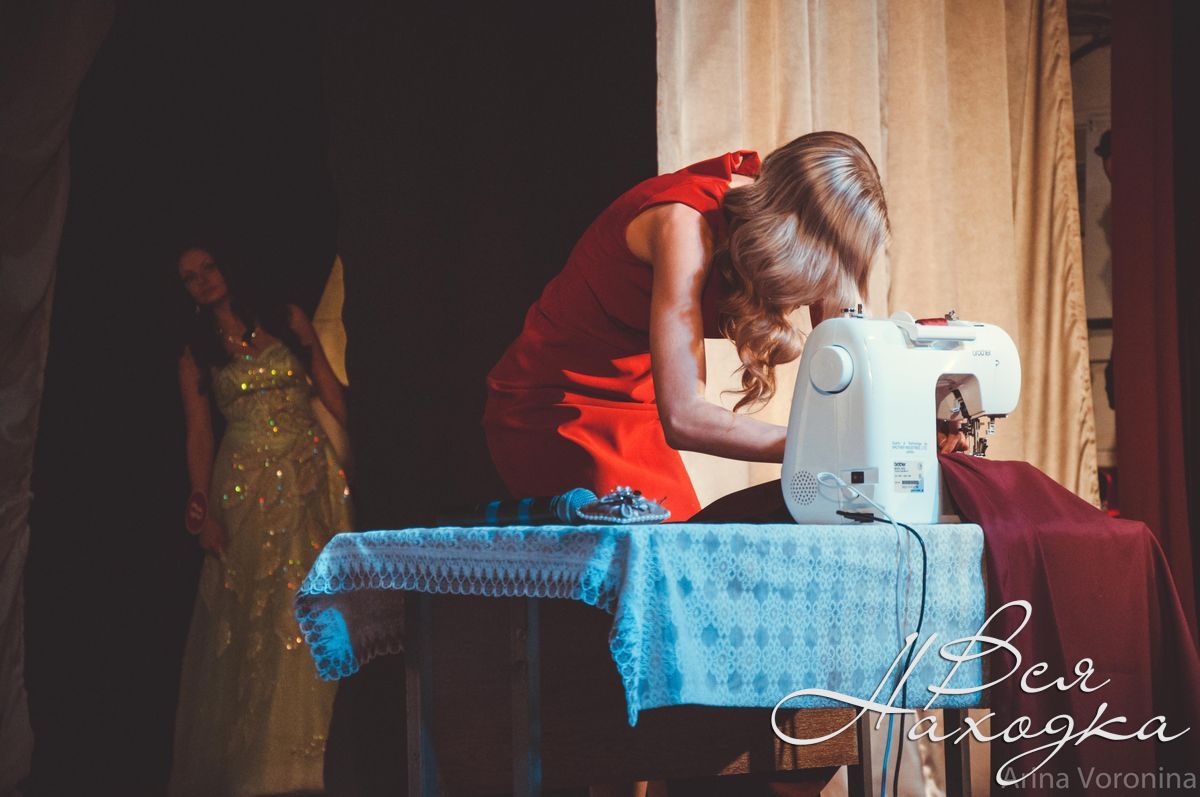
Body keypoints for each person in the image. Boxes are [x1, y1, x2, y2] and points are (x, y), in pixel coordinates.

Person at [484, 132, 892, 520]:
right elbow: (683, 419)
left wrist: (890, 428)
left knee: (685, 551)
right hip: (559, 403)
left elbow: (850, 349)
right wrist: (818, 447)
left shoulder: (788, 222)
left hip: (638, 408)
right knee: (654, 555)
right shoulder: (683, 224)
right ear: (795, 237)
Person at [169, 243, 353, 796]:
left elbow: (327, 386)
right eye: (190, 278)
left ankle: (325, 754)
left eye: (208, 268)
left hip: (310, 479)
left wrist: (368, 446)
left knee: (317, 600)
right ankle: (263, 764)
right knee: (260, 614)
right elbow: (200, 433)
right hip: (246, 490)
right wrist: (203, 506)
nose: (203, 281)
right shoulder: (197, 353)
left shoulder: (285, 318)